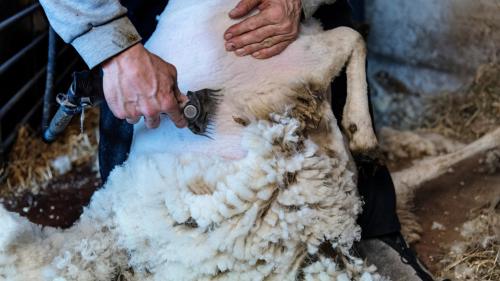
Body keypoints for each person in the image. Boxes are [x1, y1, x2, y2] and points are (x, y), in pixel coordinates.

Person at [39, 0, 436, 280]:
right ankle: (132, 239)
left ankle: (373, 229)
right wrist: (114, 48)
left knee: (322, 26)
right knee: (136, 209)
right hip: (147, 20)